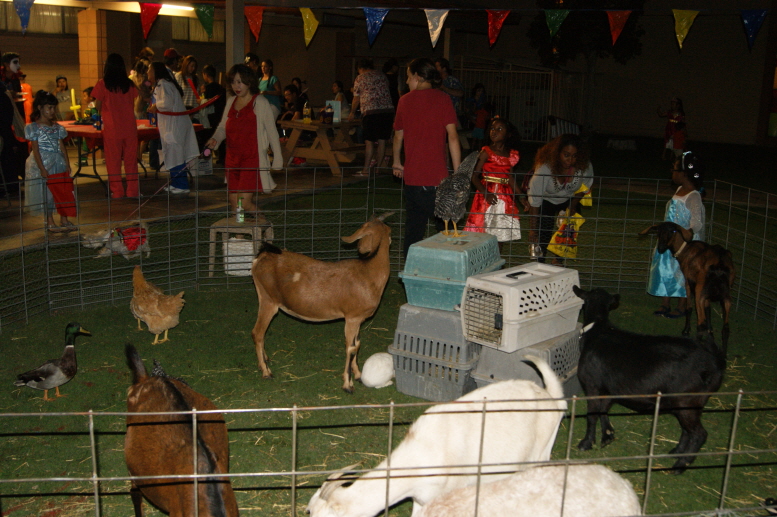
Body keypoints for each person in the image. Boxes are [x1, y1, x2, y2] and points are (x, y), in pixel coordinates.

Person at [392, 57, 461, 259]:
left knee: (414, 230)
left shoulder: (404, 101)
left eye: (408, 77)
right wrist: (458, 173)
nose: (407, 82)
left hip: (413, 178)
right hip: (438, 178)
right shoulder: (443, 99)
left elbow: (398, 136)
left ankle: (410, 269)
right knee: (447, 229)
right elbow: (453, 137)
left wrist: (396, 162)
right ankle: (451, 266)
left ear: (418, 76)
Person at [206, 63, 282, 213]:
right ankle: (240, 226)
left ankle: (263, 222)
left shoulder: (260, 102)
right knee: (235, 203)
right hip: (232, 159)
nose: (236, 86)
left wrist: (278, 158)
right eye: (233, 82)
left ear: (249, 82)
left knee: (244, 203)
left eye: (240, 82)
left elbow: (272, 132)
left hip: (251, 159)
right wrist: (215, 139)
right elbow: (222, 127)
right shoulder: (231, 101)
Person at [647, 151, 706, 319]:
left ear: (684, 174)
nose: (672, 173)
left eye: (674, 170)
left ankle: (682, 305)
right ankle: (665, 301)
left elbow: (697, 222)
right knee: (666, 268)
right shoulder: (680, 189)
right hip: (669, 240)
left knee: (682, 272)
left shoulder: (693, 196)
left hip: (683, 243)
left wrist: (686, 233)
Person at [527, 134, 593, 264]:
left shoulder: (584, 166)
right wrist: (533, 230)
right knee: (543, 232)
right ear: (557, 153)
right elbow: (535, 199)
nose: (570, 160)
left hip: (570, 199)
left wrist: (573, 205)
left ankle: (558, 260)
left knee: (568, 229)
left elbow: (585, 187)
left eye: (574, 156)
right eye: (566, 155)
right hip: (546, 200)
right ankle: (539, 263)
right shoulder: (545, 167)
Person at [463, 117, 525, 247]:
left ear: (508, 134)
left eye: (499, 129)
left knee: (500, 233)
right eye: (492, 128)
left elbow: (510, 177)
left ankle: (497, 258)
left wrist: (521, 196)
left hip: (504, 198)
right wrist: (486, 193)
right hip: (486, 196)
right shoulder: (486, 152)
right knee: (482, 230)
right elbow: (474, 176)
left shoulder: (511, 155)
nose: (494, 132)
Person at [25, 90, 75, 232]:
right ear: (40, 108)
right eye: (49, 108)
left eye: (54, 108)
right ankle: (50, 221)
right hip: (44, 162)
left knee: (62, 191)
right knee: (47, 193)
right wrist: (42, 168)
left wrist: (67, 162)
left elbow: (62, 146)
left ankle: (64, 219)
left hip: (58, 162)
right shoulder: (34, 128)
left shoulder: (57, 127)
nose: (52, 111)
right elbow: (35, 150)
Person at [92, 53, 139, 199]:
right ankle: (132, 191)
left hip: (112, 129)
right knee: (131, 161)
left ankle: (117, 191)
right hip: (130, 128)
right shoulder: (129, 84)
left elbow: (97, 105)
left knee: (113, 161)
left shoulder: (102, 84)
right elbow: (134, 100)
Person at [147, 61, 198, 194]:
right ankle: (176, 183)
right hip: (171, 125)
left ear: (155, 71)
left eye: (149, 70)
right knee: (172, 154)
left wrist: (155, 106)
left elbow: (167, 104)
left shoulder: (164, 84)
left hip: (173, 126)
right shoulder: (163, 84)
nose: (147, 73)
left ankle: (182, 185)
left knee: (176, 155)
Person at [349, 58, 394, 177]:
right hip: (387, 111)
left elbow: (356, 97)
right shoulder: (382, 76)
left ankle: (365, 170)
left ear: (360, 68)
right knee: (382, 141)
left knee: (369, 141)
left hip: (371, 111)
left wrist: (352, 112)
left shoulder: (360, 78)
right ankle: (378, 169)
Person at [175, 55, 200, 121]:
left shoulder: (195, 78)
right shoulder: (179, 76)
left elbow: (197, 95)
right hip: (183, 111)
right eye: (191, 66)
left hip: (194, 112)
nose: (193, 68)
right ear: (186, 65)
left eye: (194, 66)